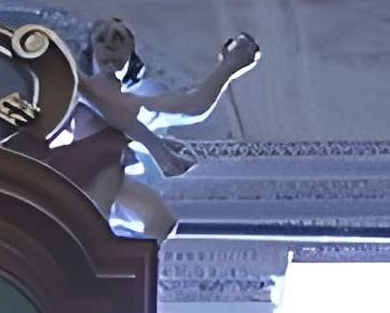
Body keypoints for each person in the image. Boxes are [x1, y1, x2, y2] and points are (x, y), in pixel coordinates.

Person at [49, 16, 259, 239]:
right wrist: (158, 149)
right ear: (91, 50)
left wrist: (229, 67)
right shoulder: (75, 91)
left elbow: (194, 105)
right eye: (103, 39)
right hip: (79, 181)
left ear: (130, 52)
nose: (111, 44)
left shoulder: (140, 99)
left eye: (119, 38)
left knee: (160, 220)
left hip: (106, 187)